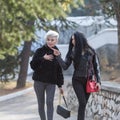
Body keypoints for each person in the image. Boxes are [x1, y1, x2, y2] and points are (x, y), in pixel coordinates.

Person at [51, 31, 101, 120]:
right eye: (72, 39)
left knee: (83, 104)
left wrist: (98, 82)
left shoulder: (91, 51)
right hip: (77, 80)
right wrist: (58, 56)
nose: (72, 41)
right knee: (82, 102)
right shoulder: (72, 52)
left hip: (89, 81)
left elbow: (96, 67)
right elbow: (65, 66)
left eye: (74, 39)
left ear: (79, 39)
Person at [30, 30, 64, 120]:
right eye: (48, 39)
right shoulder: (39, 51)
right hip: (39, 82)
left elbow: (59, 70)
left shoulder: (57, 53)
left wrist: (60, 85)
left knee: (49, 102)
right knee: (41, 103)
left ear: (56, 41)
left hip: (51, 83)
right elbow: (33, 65)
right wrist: (43, 58)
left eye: (52, 40)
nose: (50, 41)